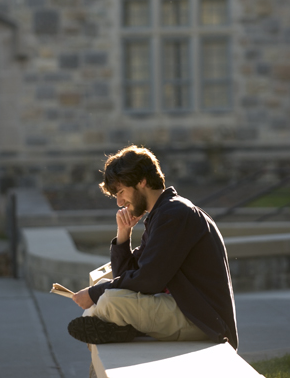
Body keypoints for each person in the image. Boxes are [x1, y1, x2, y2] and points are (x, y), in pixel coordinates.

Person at [68, 145, 238, 350]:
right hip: (184, 309)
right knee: (107, 296)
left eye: (121, 192)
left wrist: (95, 293)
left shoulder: (175, 214)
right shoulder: (162, 214)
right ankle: (118, 327)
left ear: (142, 181)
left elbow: (148, 279)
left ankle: (117, 326)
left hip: (201, 319)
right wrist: (123, 235)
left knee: (108, 300)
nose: (120, 202)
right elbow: (131, 274)